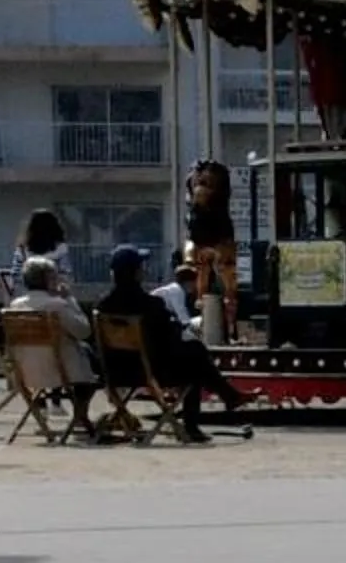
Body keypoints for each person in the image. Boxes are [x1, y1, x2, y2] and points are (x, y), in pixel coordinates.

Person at [98, 246, 242, 442]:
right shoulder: (151, 305)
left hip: (116, 372)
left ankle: (228, 395)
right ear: (137, 273)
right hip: (151, 372)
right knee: (195, 355)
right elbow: (171, 337)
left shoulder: (102, 307)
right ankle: (195, 422)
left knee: (194, 354)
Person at [5, 255, 101, 438]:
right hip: (61, 371)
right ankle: (80, 416)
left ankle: (45, 415)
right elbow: (84, 331)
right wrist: (70, 299)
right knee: (91, 365)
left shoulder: (15, 306)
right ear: (49, 280)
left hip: (27, 371)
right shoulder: (58, 305)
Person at [182, 160, 239, 331]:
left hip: (217, 236)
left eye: (207, 184)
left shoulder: (212, 208)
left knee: (225, 276)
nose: (201, 189)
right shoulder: (196, 209)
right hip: (204, 237)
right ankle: (207, 314)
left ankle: (228, 321)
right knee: (203, 269)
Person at [13, 208, 73, 300]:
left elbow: (16, 275)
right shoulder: (61, 248)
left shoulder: (22, 250)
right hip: (55, 296)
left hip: (28, 296)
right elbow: (65, 274)